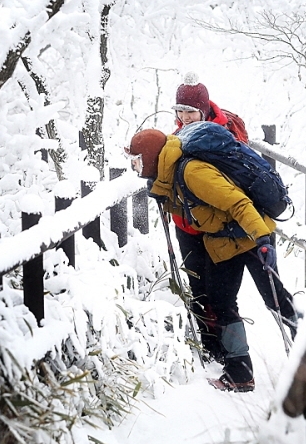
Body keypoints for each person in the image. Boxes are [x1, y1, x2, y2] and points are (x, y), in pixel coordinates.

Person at [127, 127, 282, 392]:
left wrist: (263, 240)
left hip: (252, 236)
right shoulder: (169, 175)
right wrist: (164, 196)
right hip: (224, 241)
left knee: (275, 298)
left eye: (137, 161)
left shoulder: (192, 172)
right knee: (221, 302)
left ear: (151, 157)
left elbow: (239, 203)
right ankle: (240, 373)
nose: (134, 167)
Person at [168, 74, 296, 362]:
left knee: (268, 293)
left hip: (241, 227)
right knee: (211, 295)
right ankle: (222, 355)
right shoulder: (180, 139)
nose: (185, 117)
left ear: (202, 109)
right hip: (208, 230)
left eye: (190, 111)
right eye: (180, 110)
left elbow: (227, 190)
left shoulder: (217, 137)